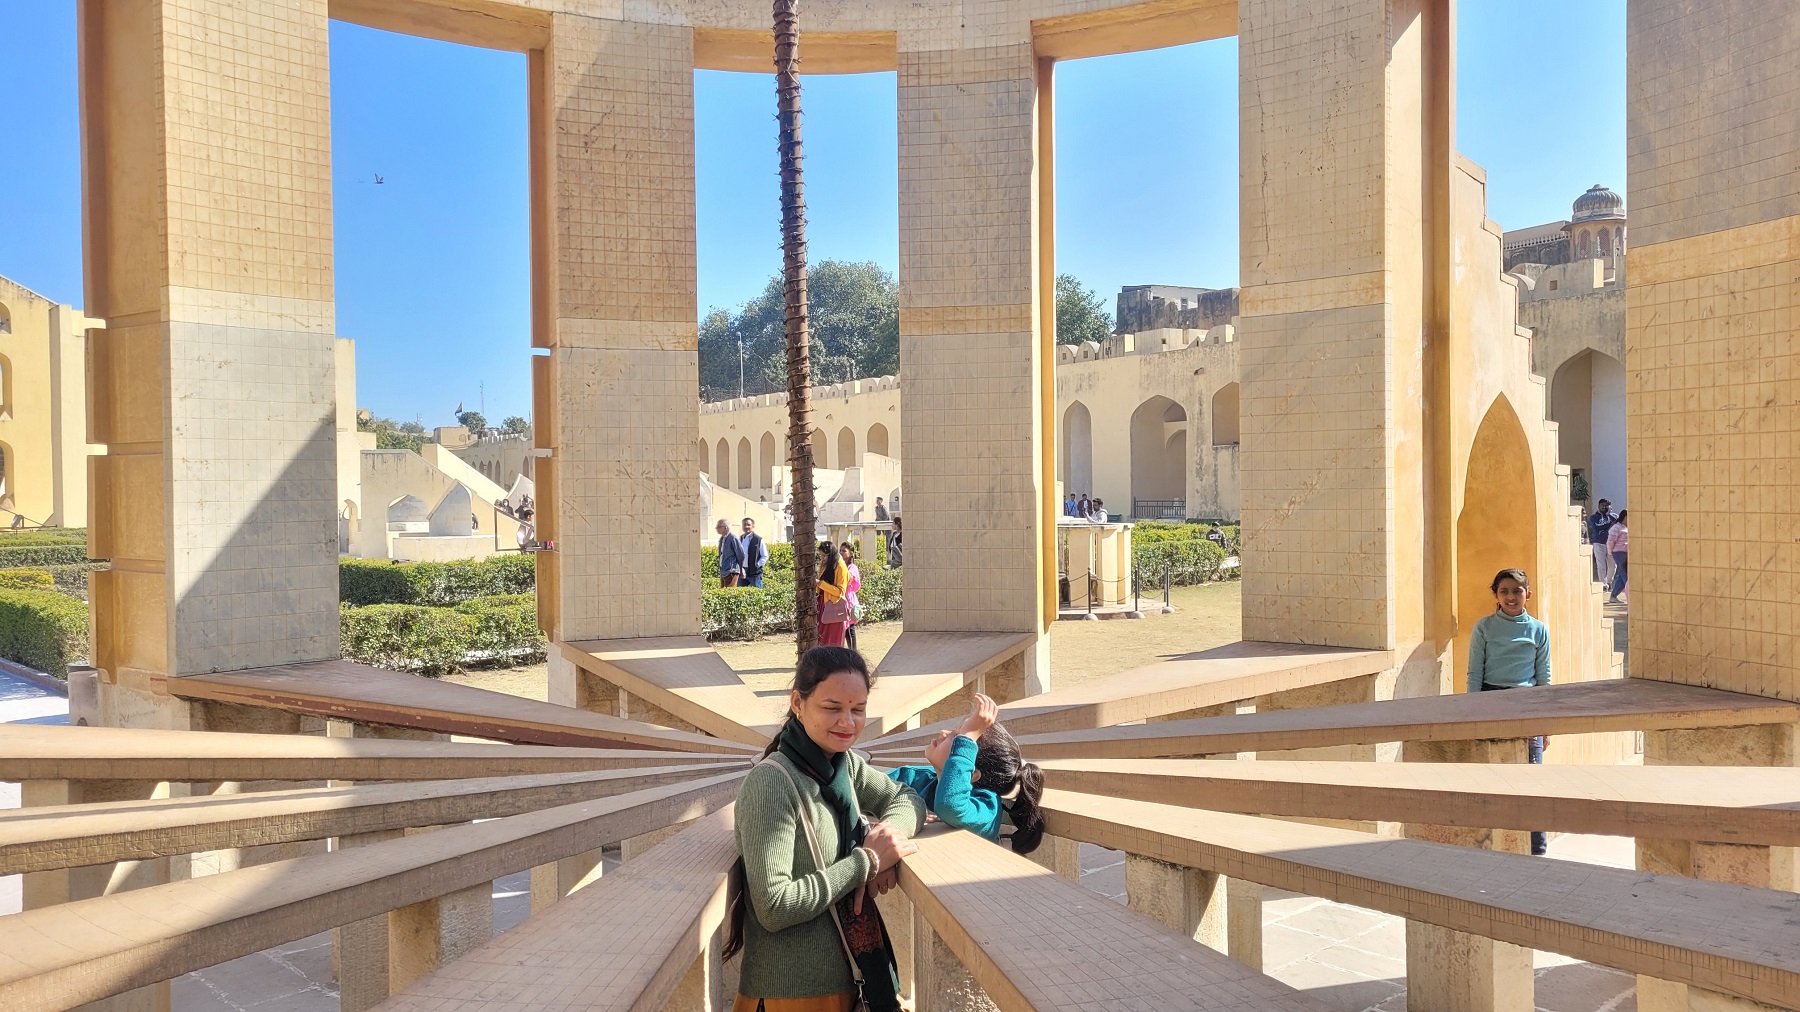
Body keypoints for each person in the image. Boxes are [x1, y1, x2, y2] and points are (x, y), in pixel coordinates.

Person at [724, 647, 925, 1012]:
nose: (847, 723)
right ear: (798, 703)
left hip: (847, 983)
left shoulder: (842, 767)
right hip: (792, 994)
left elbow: (907, 797)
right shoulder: (771, 784)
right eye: (832, 708)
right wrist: (866, 862)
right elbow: (774, 905)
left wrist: (887, 837)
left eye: (858, 709)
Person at [886, 693, 1046, 855]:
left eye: (957, 738)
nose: (943, 732)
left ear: (971, 773)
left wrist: (969, 736)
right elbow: (868, 787)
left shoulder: (986, 807)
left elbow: (950, 806)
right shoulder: (917, 778)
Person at [1468, 567, 1551, 855]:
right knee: (1490, 776)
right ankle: (1489, 844)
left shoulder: (1539, 630)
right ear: (1496, 595)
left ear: (1528, 593)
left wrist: (1545, 722)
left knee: (1532, 777)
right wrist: (1472, 714)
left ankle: (1536, 848)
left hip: (1526, 706)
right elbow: (1474, 673)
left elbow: (1544, 679)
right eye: (1504, 591)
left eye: (1517, 590)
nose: (1511, 596)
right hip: (1491, 704)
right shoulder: (1484, 628)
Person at [817, 540, 850, 647]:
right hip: (822, 605)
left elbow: (840, 592)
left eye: (824, 556)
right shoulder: (825, 564)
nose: (822, 558)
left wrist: (820, 584)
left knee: (832, 641)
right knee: (821, 639)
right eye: (820, 555)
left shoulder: (841, 566)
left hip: (834, 608)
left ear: (830, 554)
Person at [1586, 499, 1619, 586]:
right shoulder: (1594, 517)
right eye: (1602, 505)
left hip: (1611, 543)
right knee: (1601, 565)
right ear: (1599, 505)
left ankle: (1608, 582)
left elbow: (1618, 523)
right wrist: (1609, 524)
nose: (1604, 507)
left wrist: (1609, 516)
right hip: (1598, 543)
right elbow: (1597, 527)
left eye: (1606, 506)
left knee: (1613, 565)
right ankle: (1602, 585)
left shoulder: (1613, 516)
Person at [839, 543, 863, 653]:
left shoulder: (852, 568)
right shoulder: (839, 566)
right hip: (841, 600)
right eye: (840, 550)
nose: (841, 553)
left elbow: (849, 579)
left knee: (850, 629)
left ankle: (853, 652)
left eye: (844, 551)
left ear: (851, 553)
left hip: (849, 601)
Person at [1606, 510, 1629, 603]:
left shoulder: (1626, 528)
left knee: (1622, 575)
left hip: (1625, 553)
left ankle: (1613, 596)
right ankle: (1631, 597)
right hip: (1619, 553)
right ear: (1625, 517)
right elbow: (1610, 541)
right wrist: (1610, 552)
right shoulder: (1616, 528)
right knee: (1626, 576)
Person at [739, 518, 769, 588]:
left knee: (757, 593)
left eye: (748, 525)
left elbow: (765, 556)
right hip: (742, 571)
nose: (746, 527)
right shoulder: (740, 539)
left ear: (753, 526)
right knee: (741, 594)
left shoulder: (758, 540)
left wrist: (757, 565)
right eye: (744, 525)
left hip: (754, 573)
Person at [717, 519, 746, 587]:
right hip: (724, 570)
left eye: (719, 527)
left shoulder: (733, 538)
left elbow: (741, 554)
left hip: (731, 570)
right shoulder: (722, 538)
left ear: (725, 528)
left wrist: (741, 568)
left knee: (729, 591)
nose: (717, 528)